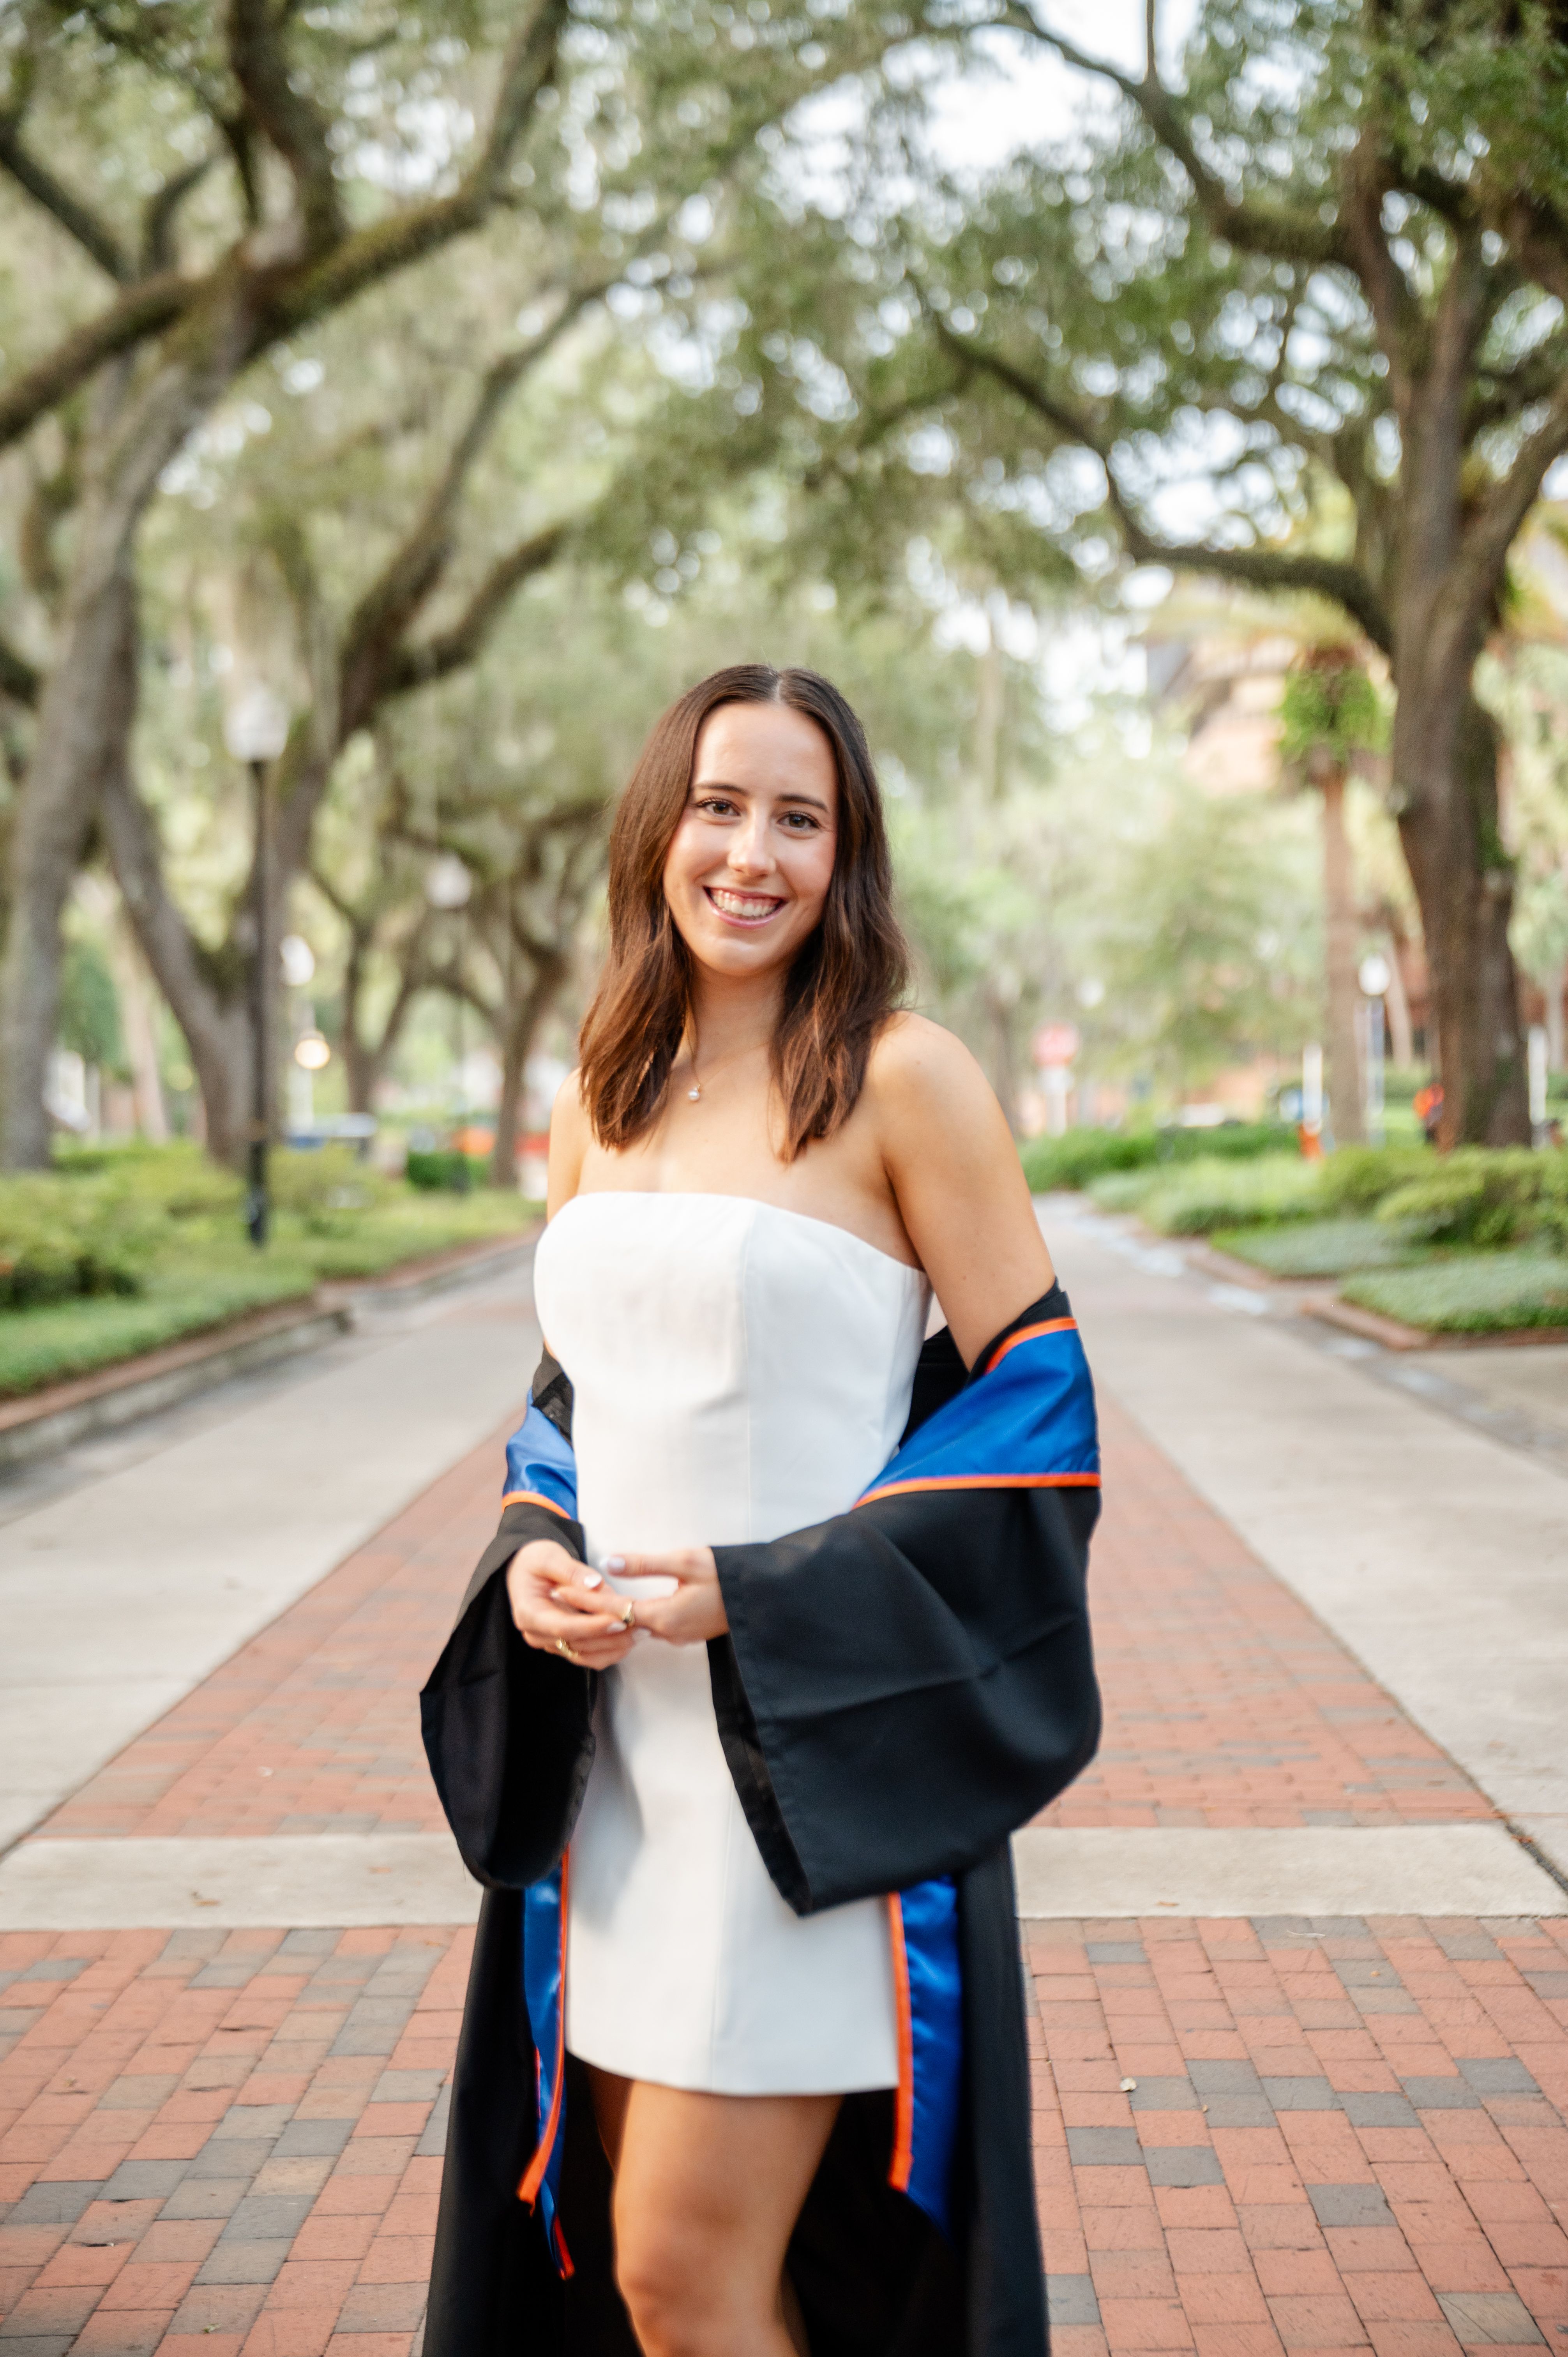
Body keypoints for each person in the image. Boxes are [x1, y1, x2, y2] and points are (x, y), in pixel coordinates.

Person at [420, 664, 1103, 2357]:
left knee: (679, 2268)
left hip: (809, 1771)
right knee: (636, 2267)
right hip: (617, 1778)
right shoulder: (601, 1091)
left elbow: (1041, 1416)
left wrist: (760, 1591)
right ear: (661, 823)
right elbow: (570, 1397)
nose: (752, 852)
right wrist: (531, 1558)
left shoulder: (902, 1080)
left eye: (799, 819)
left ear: (845, 857)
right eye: (721, 805)